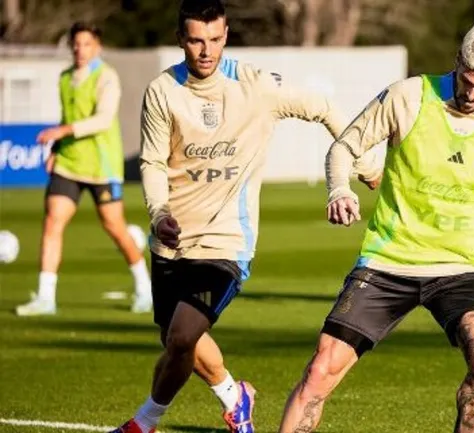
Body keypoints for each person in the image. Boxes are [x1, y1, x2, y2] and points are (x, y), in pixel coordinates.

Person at [110, 1, 378, 432]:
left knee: (181, 336)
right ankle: (235, 399)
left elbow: (324, 107)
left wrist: (362, 165)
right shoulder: (163, 91)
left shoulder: (254, 86)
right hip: (171, 240)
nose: (206, 51)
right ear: (180, 40)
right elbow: (153, 163)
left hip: (226, 241)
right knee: (180, 343)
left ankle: (143, 423)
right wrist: (159, 215)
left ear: (226, 35)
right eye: (196, 40)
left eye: (215, 39)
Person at [279, 22, 474, 433]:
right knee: (320, 371)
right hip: (387, 262)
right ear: (457, 60)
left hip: (459, 270)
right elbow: (344, 147)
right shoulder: (408, 97)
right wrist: (339, 189)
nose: (472, 94)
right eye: (468, 81)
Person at [15, 22, 152, 316]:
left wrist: (61, 132)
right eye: (76, 44)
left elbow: (102, 120)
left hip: (101, 165)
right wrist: (56, 149)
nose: (80, 49)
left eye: (86, 44)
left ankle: (145, 288)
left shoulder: (107, 77)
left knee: (114, 226)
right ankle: (46, 297)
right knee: (52, 223)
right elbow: (67, 116)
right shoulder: (65, 77)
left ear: (97, 46)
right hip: (69, 163)